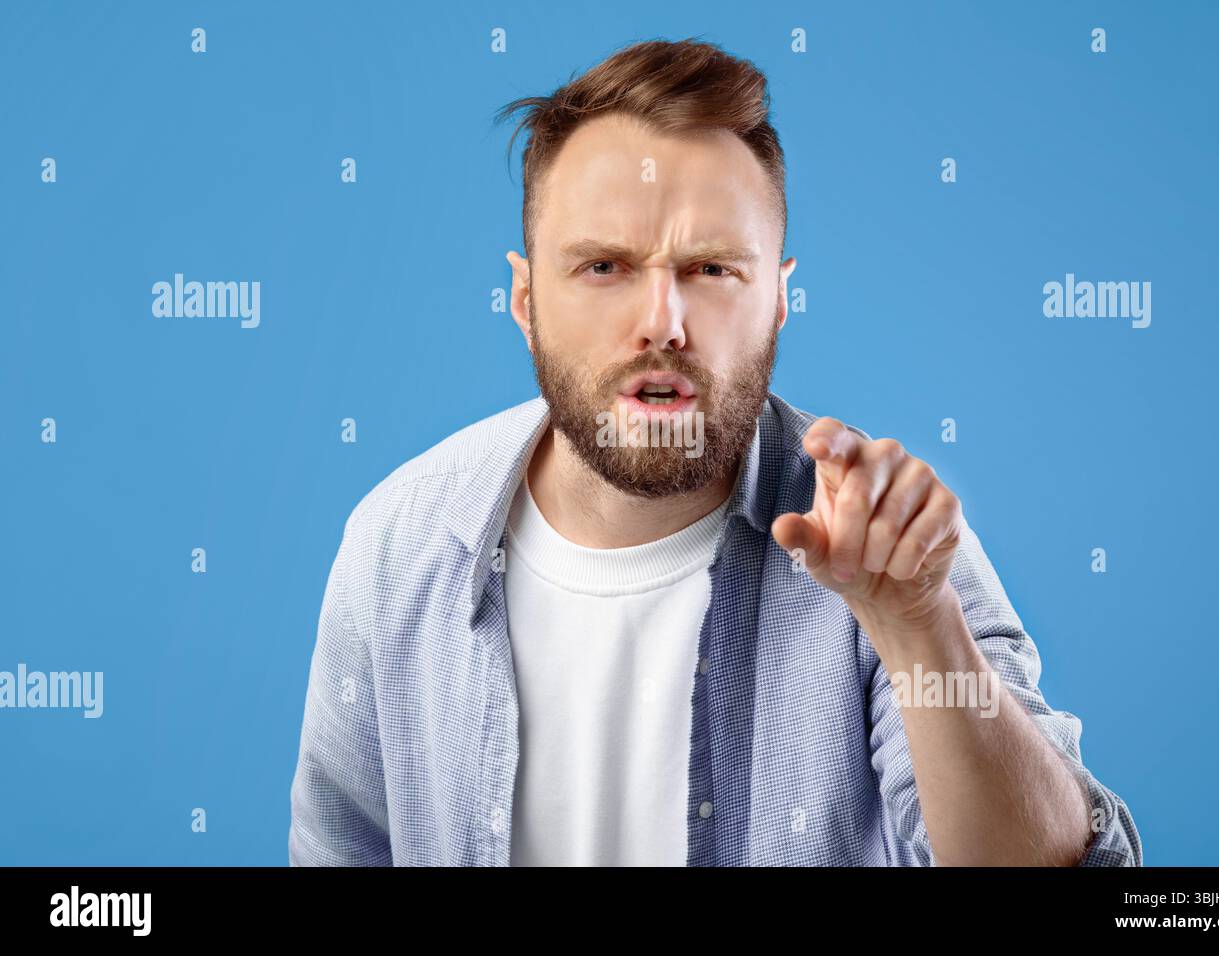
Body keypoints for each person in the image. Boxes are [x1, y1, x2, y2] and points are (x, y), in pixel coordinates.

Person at [289, 37, 1141, 867]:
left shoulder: (889, 547)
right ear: (523, 297)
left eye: (710, 269)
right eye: (604, 266)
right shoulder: (398, 546)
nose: (662, 319)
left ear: (777, 297)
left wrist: (919, 630)